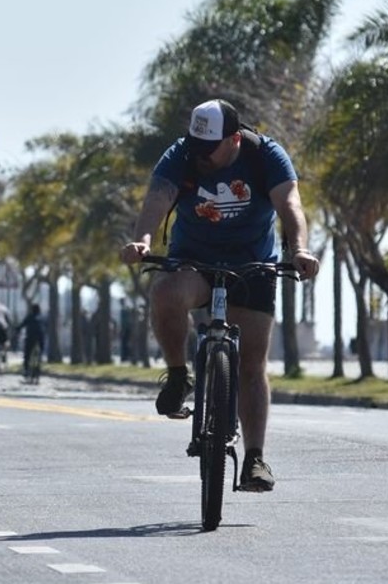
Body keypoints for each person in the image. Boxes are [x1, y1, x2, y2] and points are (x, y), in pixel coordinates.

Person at [119, 99, 319, 492]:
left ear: (233, 139)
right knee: (165, 293)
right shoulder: (182, 155)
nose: (200, 158)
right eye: (195, 147)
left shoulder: (267, 155)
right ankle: (178, 376)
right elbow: (157, 198)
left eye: (208, 150)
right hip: (195, 260)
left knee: (251, 365)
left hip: (253, 264)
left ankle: (255, 458)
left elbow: (290, 204)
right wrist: (141, 240)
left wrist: (299, 250)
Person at [18, 303, 45, 383]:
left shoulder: (29, 317)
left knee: (27, 354)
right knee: (40, 353)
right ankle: (38, 367)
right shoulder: (43, 317)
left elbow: (22, 325)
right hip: (40, 337)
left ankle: (26, 370)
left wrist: (17, 329)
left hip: (31, 337)